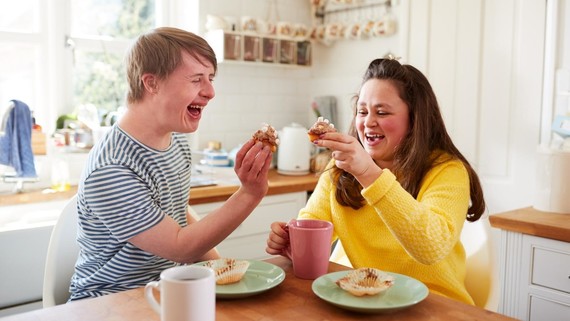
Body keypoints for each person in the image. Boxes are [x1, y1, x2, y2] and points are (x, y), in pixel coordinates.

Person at [69, 27, 273, 301]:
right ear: (151, 83)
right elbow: (180, 246)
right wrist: (250, 193)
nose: (211, 91)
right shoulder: (111, 168)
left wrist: (221, 271)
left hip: (171, 291)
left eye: (210, 78)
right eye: (196, 79)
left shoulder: (175, 141)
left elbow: (177, 212)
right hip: (111, 302)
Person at [266, 58, 486, 305]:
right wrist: (294, 242)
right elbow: (313, 226)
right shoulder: (341, 168)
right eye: (362, 111)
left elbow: (430, 247)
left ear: (416, 119)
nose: (368, 122)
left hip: (434, 304)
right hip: (363, 299)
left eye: (382, 112)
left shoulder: (447, 171)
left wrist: (368, 174)